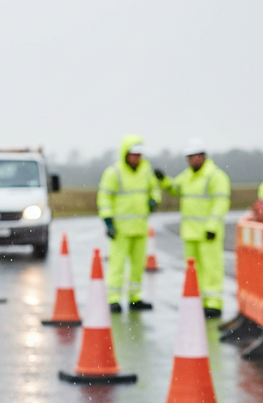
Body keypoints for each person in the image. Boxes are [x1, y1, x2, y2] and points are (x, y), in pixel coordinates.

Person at [155, 137, 230, 318]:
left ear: (203, 156)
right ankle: (197, 300)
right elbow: (175, 189)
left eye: (196, 156)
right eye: (189, 157)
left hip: (208, 233)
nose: (192, 160)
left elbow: (221, 202)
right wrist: (163, 180)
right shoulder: (187, 176)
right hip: (190, 233)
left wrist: (212, 226)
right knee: (193, 270)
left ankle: (213, 303)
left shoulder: (216, 176)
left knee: (211, 268)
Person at [97, 134, 161, 313]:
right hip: (120, 230)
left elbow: (154, 189)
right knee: (117, 264)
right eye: (133, 154)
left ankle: (135, 298)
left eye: (139, 155)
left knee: (137, 266)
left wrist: (154, 200)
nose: (136, 158)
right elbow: (104, 198)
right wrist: (108, 222)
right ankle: (113, 299)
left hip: (140, 229)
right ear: (125, 154)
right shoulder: (114, 172)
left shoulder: (146, 170)